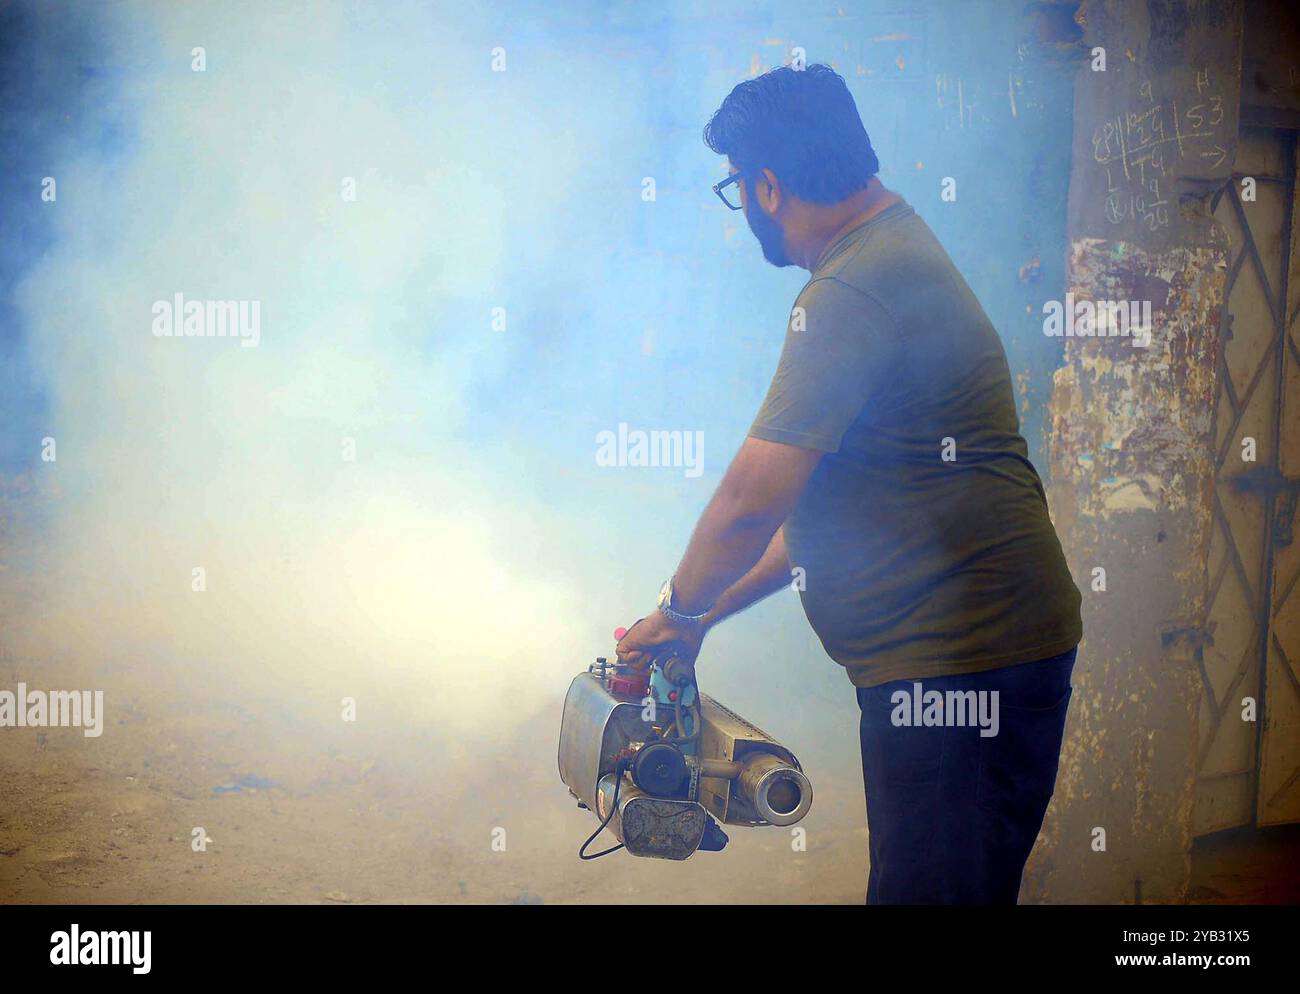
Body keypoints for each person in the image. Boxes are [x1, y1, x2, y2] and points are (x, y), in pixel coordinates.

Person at [614, 64, 1082, 904]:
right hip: (972, 656)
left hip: (962, 664)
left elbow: (751, 501)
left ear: (767, 185)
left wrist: (680, 608)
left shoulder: (853, 287)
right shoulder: (887, 249)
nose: (744, 213)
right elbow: (819, 517)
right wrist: (696, 620)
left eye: (737, 191)